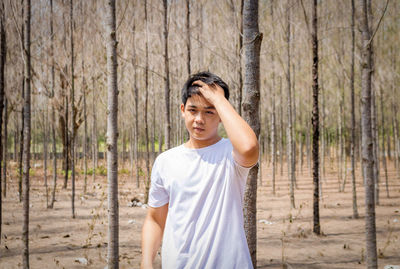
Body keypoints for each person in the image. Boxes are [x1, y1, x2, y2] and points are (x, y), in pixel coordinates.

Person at [141, 71, 259, 269]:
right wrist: (146, 262)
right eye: (193, 110)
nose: (199, 119)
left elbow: (249, 148)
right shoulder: (166, 161)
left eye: (209, 111)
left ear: (221, 114)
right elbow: (155, 219)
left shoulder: (231, 154)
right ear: (182, 110)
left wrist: (218, 99)